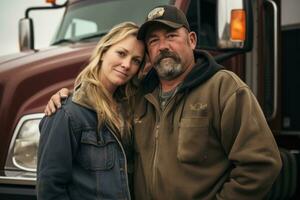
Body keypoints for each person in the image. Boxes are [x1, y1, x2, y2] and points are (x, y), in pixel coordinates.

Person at [45, 5, 282, 200]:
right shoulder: (136, 97)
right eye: (154, 41)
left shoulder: (223, 88)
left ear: (191, 40)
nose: (163, 46)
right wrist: (67, 97)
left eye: (171, 36)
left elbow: (260, 165)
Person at [37, 21, 145, 200]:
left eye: (136, 61)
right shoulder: (67, 112)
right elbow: (50, 188)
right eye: (121, 53)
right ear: (103, 52)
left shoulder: (131, 110)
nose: (127, 65)